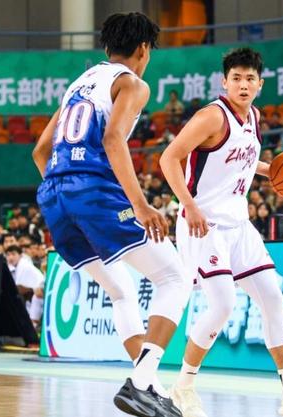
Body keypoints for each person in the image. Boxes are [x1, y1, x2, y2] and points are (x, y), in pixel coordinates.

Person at [30, 13, 187, 417]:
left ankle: (148, 386)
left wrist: (65, 194)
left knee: (121, 291)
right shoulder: (131, 83)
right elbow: (113, 138)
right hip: (93, 192)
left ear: (106, 47)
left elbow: (40, 151)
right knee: (175, 277)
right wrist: (140, 204)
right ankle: (142, 382)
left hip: (54, 195)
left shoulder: (78, 85)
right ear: (144, 49)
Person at [160, 47, 283, 417]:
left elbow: (242, 158)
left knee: (273, 299)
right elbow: (168, 157)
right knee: (223, 305)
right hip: (203, 223)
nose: (242, 84)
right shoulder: (211, 116)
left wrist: (276, 172)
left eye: (249, 78)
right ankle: (182, 387)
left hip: (239, 225)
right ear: (224, 82)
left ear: (260, 84)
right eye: (236, 78)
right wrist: (188, 205)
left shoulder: (253, 116)